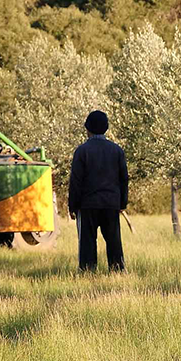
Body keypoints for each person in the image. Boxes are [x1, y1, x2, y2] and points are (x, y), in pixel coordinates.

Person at [68, 110, 129, 272]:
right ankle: (117, 270)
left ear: (88, 128)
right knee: (114, 241)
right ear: (106, 128)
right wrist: (122, 203)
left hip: (87, 204)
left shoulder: (82, 151)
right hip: (111, 203)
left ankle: (88, 272)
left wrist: (72, 206)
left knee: (87, 242)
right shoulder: (117, 151)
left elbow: (76, 181)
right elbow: (124, 179)